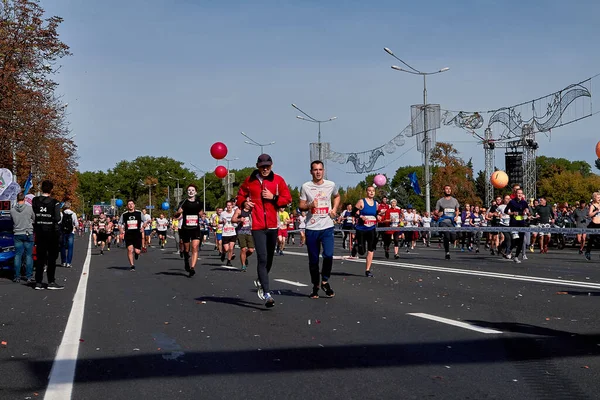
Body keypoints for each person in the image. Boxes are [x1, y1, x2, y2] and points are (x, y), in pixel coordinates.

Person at [236, 154, 292, 308]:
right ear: (257, 166)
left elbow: (287, 199)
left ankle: (261, 279)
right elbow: (240, 196)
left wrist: (273, 197)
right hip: (257, 226)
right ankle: (267, 293)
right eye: (262, 166)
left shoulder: (278, 180)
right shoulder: (250, 181)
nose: (265, 169)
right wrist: (244, 203)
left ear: (272, 165)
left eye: (268, 166)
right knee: (262, 257)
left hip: (273, 225)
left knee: (269, 259)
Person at [299, 160, 340, 299]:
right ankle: (315, 285)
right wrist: (310, 205)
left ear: (323, 171)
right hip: (312, 227)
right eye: (315, 169)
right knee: (314, 260)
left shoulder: (331, 185)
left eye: (320, 169)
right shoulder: (306, 186)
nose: (318, 172)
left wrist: (334, 209)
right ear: (311, 171)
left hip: (327, 226)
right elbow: (301, 206)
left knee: (328, 255)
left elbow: (337, 196)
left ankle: (325, 281)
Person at [32, 180, 63, 290]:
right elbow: (58, 218)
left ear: (41, 189)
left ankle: (38, 282)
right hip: (51, 233)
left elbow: (33, 215)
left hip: (39, 231)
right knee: (51, 258)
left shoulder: (35, 201)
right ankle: (51, 281)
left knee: (40, 258)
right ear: (51, 189)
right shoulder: (55, 202)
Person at [176, 184, 203, 277]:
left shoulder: (199, 202)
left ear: (195, 192)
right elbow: (176, 215)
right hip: (186, 229)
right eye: (189, 190)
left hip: (195, 228)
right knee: (186, 249)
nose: (191, 192)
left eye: (192, 190)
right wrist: (178, 213)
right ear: (187, 192)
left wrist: (203, 215)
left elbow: (200, 212)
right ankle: (186, 259)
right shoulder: (183, 202)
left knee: (195, 247)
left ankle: (192, 268)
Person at [353, 186, 378, 276]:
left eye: (373, 191)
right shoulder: (361, 202)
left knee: (371, 249)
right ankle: (356, 246)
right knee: (362, 251)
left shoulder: (376, 203)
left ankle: (367, 270)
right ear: (366, 192)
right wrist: (360, 216)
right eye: (369, 191)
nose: (371, 192)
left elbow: (376, 214)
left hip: (371, 228)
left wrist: (379, 216)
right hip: (361, 229)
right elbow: (353, 212)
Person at [10, 192, 35, 283]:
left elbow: (11, 220)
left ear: (17, 199)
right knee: (28, 255)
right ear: (24, 199)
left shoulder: (12, 210)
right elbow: (34, 218)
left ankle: (17, 276)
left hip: (17, 233)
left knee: (17, 255)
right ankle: (28, 276)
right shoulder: (29, 209)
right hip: (28, 233)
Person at [434, 185, 460, 260]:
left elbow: (457, 210)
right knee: (447, 236)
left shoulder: (454, 200)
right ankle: (447, 252)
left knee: (453, 237)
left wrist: (456, 216)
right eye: (446, 189)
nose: (448, 190)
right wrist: (439, 213)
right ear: (444, 190)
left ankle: (448, 240)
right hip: (443, 221)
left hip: (451, 222)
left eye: (449, 189)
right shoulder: (440, 201)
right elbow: (436, 212)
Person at [505, 188, 530, 263]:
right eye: (518, 193)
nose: (519, 195)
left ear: (522, 195)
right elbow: (506, 211)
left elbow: (527, 210)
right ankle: (509, 250)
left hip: (521, 222)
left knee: (521, 241)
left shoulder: (524, 202)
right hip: (513, 222)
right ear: (516, 194)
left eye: (521, 193)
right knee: (515, 239)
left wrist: (527, 212)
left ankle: (516, 257)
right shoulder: (512, 202)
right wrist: (512, 213)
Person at [119, 200, 144, 271]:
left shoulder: (139, 213)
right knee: (130, 250)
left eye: (132, 204)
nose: (130, 205)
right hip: (128, 234)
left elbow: (145, 221)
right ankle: (132, 265)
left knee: (137, 251)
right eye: (129, 204)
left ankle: (136, 254)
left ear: (134, 205)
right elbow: (119, 223)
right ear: (127, 206)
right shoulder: (124, 214)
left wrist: (143, 227)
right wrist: (121, 231)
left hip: (137, 234)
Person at [232, 200, 254, 272]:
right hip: (241, 231)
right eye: (247, 202)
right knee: (243, 249)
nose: (248, 204)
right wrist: (239, 219)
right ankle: (243, 265)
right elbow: (233, 219)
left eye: (249, 202)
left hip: (250, 232)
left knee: (251, 250)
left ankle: (245, 256)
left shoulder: (253, 210)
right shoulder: (239, 210)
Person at [60, 201, 78, 268]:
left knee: (63, 247)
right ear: (70, 206)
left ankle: (63, 262)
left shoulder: (62, 213)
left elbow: (59, 222)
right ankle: (68, 263)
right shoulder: (73, 214)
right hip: (71, 232)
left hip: (63, 232)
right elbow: (76, 224)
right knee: (70, 248)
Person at [220, 201, 237, 266]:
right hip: (225, 233)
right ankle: (223, 253)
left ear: (232, 206)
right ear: (226, 206)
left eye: (230, 205)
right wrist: (222, 221)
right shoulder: (223, 213)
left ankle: (229, 261)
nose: (229, 207)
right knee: (226, 249)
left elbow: (237, 220)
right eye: (228, 205)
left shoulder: (234, 213)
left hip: (233, 232)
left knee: (231, 248)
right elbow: (219, 221)